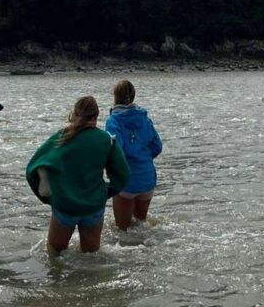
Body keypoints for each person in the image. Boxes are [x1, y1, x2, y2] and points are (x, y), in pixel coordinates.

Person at [25, 96, 130, 256]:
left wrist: (48, 198)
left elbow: (32, 169)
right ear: (96, 117)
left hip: (65, 205)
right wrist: (106, 192)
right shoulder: (106, 140)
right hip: (93, 206)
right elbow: (123, 174)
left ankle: (57, 280)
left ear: (75, 114)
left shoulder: (61, 137)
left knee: (55, 252)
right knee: (91, 257)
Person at [105, 80, 163, 231]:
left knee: (122, 230)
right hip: (147, 177)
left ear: (115, 97)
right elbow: (157, 146)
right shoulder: (144, 118)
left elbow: (116, 151)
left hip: (127, 180)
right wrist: (143, 158)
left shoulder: (113, 121)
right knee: (140, 225)